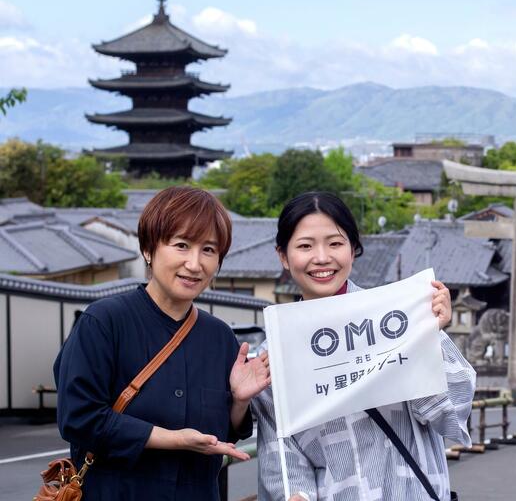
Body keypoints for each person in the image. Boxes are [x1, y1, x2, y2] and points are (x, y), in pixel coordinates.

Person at [254, 191, 476, 501]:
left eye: (335, 243)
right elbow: (283, 453)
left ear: (353, 249)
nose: (321, 257)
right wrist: (297, 495)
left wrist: (430, 336)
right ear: (283, 256)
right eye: (305, 246)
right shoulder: (274, 355)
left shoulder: (397, 320)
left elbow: (450, 414)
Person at [54, 186, 271, 500]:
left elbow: (220, 435)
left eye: (209, 250)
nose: (195, 264)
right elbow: (79, 418)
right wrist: (174, 439)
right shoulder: (103, 322)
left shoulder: (220, 337)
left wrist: (239, 402)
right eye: (182, 245)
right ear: (149, 249)